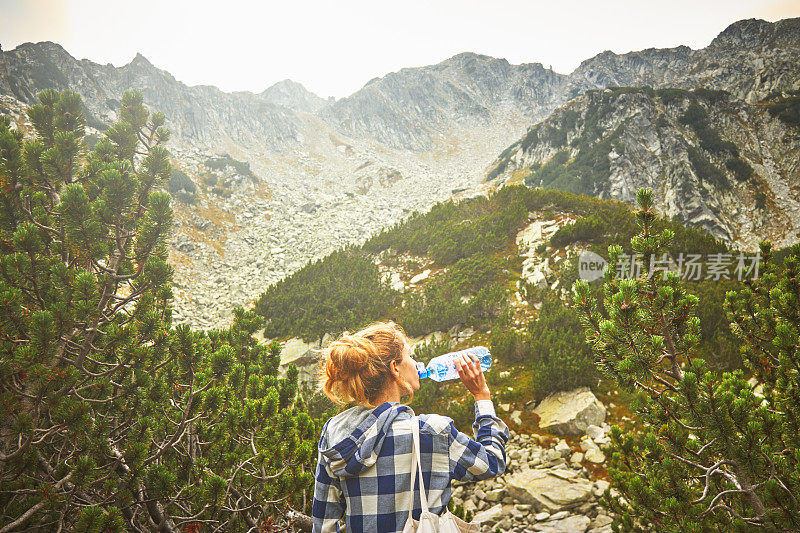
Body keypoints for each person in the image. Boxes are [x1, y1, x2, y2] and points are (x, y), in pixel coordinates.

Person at [311, 321, 509, 533]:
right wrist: (481, 396)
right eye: (410, 355)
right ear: (395, 368)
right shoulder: (432, 430)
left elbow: (324, 525)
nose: (416, 363)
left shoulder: (334, 432)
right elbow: (492, 461)